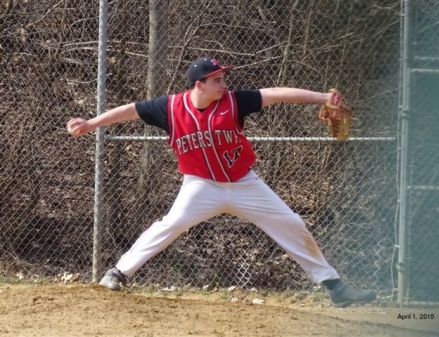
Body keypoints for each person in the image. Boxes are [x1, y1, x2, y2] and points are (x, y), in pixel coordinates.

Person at [67, 56, 376, 307]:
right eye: (217, 79)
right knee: (170, 224)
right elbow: (130, 111)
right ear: (198, 84)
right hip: (200, 186)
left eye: (223, 78)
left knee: (292, 223)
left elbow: (277, 94)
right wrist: (91, 123)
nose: (223, 84)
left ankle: (335, 287)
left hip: (244, 183)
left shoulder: (234, 101)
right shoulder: (170, 107)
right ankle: (118, 273)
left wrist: (323, 97)